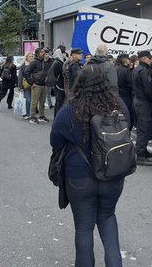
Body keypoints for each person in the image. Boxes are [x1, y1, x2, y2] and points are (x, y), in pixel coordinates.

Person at [50, 65, 130, 267]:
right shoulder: (119, 106)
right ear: (105, 82)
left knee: (84, 227)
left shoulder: (69, 111)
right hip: (112, 172)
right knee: (108, 217)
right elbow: (128, 129)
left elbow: (55, 142)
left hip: (79, 175)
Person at [132, 51, 152, 166]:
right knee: (143, 128)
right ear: (144, 58)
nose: (151, 59)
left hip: (139, 101)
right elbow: (148, 89)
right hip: (144, 102)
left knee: (143, 128)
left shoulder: (138, 69)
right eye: (149, 58)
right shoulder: (143, 71)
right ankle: (140, 155)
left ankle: (142, 150)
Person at [29, 48, 49, 123]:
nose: (43, 53)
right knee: (34, 102)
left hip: (43, 84)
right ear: (37, 54)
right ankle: (32, 117)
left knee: (42, 102)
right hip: (36, 85)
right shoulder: (34, 62)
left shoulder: (44, 62)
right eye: (42, 52)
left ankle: (41, 116)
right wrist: (31, 82)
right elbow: (26, 72)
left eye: (44, 52)